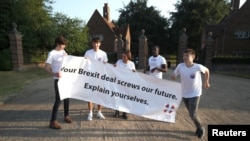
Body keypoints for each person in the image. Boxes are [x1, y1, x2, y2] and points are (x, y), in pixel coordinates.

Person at [171, 48, 210, 138]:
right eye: (184, 55)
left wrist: (206, 82)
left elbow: (207, 71)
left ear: (193, 57)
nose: (185, 57)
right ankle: (198, 126)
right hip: (185, 93)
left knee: (192, 114)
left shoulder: (198, 67)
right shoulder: (180, 66)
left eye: (187, 55)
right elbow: (174, 74)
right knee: (192, 113)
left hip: (195, 93)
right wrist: (173, 76)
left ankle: (200, 128)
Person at [45, 36, 73, 129]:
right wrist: (54, 74)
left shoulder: (64, 52)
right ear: (57, 44)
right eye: (62, 45)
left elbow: (69, 62)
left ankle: (66, 115)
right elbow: (47, 67)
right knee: (58, 100)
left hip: (66, 79)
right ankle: (52, 121)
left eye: (64, 45)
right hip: (58, 79)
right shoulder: (52, 53)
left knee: (67, 98)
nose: (64, 46)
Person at [84, 37, 108, 121]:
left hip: (100, 77)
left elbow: (105, 65)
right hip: (90, 77)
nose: (96, 45)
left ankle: (99, 112)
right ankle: (90, 112)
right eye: (94, 43)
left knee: (99, 95)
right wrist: (85, 61)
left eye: (98, 43)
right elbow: (84, 64)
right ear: (92, 43)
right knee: (90, 95)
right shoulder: (88, 52)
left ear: (100, 44)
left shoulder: (103, 54)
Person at [113, 50, 136, 119]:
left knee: (125, 98)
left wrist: (134, 72)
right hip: (119, 83)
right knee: (117, 97)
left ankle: (124, 113)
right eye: (122, 56)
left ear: (128, 57)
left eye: (124, 56)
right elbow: (114, 69)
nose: (123, 58)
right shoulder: (119, 62)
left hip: (127, 84)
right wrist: (113, 66)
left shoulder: (131, 64)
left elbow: (134, 74)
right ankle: (117, 111)